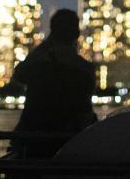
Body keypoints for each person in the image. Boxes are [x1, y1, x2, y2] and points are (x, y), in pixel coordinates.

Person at [10, 9, 97, 158]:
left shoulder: (37, 65)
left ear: (52, 33)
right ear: (77, 34)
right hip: (69, 145)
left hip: (34, 144)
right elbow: (85, 113)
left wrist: (46, 46)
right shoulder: (85, 70)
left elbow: (18, 74)